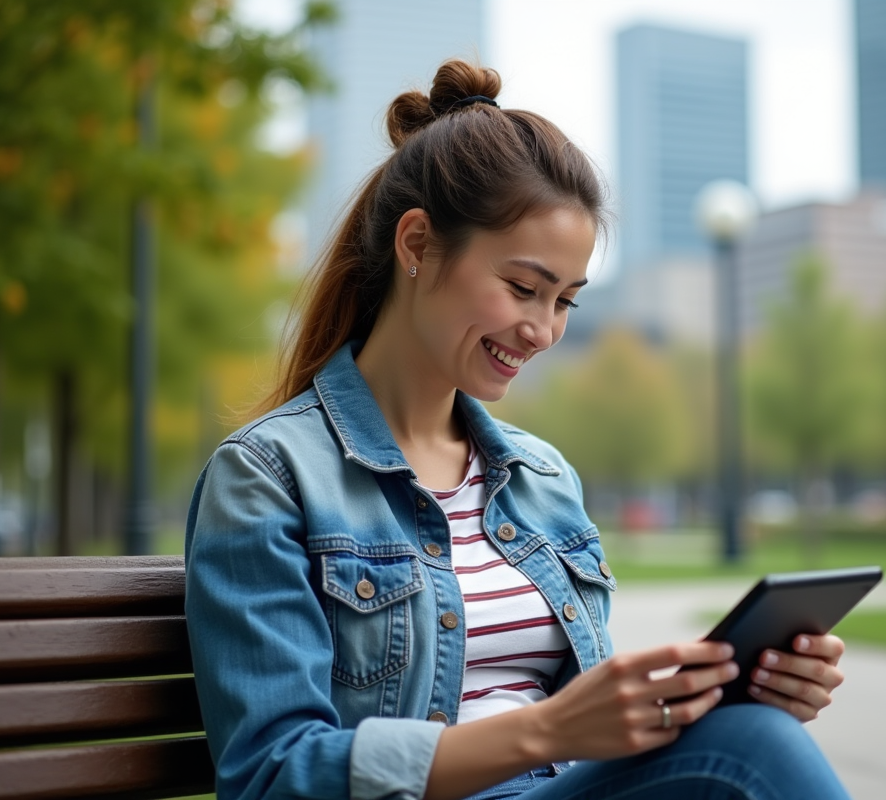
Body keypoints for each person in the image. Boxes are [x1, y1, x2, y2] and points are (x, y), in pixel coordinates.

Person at [185, 59, 851, 800]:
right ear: (416, 245)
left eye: (566, 300)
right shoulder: (270, 476)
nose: (543, 330)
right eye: (523, 288)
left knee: (751, 731)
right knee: (748, 751)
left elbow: (594, 728)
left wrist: (726, 690)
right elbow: (271, 775)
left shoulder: (542, 478)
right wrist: (546, 732)